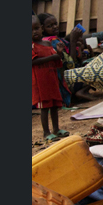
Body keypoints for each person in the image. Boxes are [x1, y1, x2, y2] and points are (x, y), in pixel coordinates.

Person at [33, 15, 66, 143]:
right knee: (45, 107)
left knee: (54, 105)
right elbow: (33, 62)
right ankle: (46, 132)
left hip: (51, 79)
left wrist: (59, 52)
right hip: (40, 82)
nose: (34, 32)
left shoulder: (47, 44)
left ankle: (56, 129)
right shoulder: (32, 46)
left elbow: (56, 60)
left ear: (41, 28)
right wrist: (53, 57)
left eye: (36, 28)